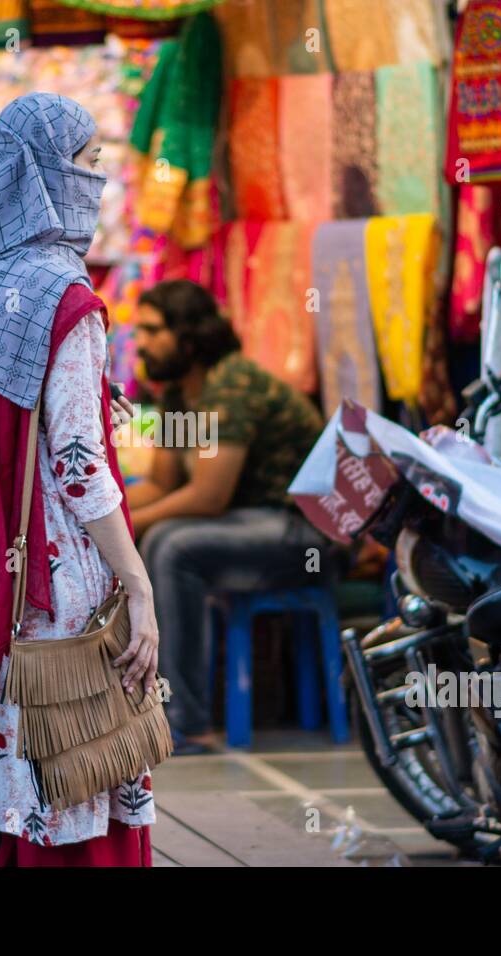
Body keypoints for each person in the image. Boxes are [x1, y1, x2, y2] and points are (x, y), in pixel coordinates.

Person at [0, 92, 159, 866]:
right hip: (61, 578)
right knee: (86, 786)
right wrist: (140, 586)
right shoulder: (68, 298)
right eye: (87, 164)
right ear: (48, 175)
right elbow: (81, 465)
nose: (99, 181)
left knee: (32, 801)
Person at [127, 279, 331, 753]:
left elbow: (207, 497)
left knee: (171, 544)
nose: (140, 343)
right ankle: (152, 705)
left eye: (153, 331)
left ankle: (187, 722)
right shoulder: (181, 394)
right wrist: (100, 515)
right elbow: (162, 485)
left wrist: (133, 525)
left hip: (300, 531)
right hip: (245, 523)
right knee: (157, 536)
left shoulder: (231, 386)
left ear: (189, 336)